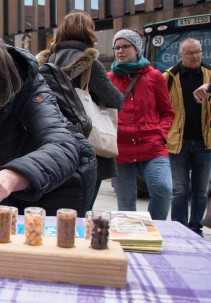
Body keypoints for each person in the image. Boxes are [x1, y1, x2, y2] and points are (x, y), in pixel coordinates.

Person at [0, 30, 97, 216]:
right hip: (12, 191)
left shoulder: (32, 92)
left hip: (65, 183)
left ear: (2, 83)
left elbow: (63, 146)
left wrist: (10, 176)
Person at [36, 10, 124, 210]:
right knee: (81, 210)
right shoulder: (91, 65)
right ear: (88, 33)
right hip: (87, 145)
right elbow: (117, 101)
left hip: (51, 145)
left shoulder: (44, 64)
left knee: (55, 208)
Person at [108, 29, 175, 220]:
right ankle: (131, 242)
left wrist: (162, 134)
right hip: (120, 148)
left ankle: (156, 229)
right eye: (117, 47)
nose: (120, 51)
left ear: (137, 48)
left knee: (163, 189)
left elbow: (167, 112)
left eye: (125, 46)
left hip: (152, 144)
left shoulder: (154, 76)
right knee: (126, 202)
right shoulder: (109, 78)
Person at [163, 38, 211, 236]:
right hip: (177, 142)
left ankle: (196, 228)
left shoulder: (209, 75)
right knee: (180, 190)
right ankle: (180, 229)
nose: (195, 56)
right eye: (190, 53)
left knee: (201, 191)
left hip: (205, 142)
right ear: (181, 56)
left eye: (198, 52)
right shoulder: (169, 77)